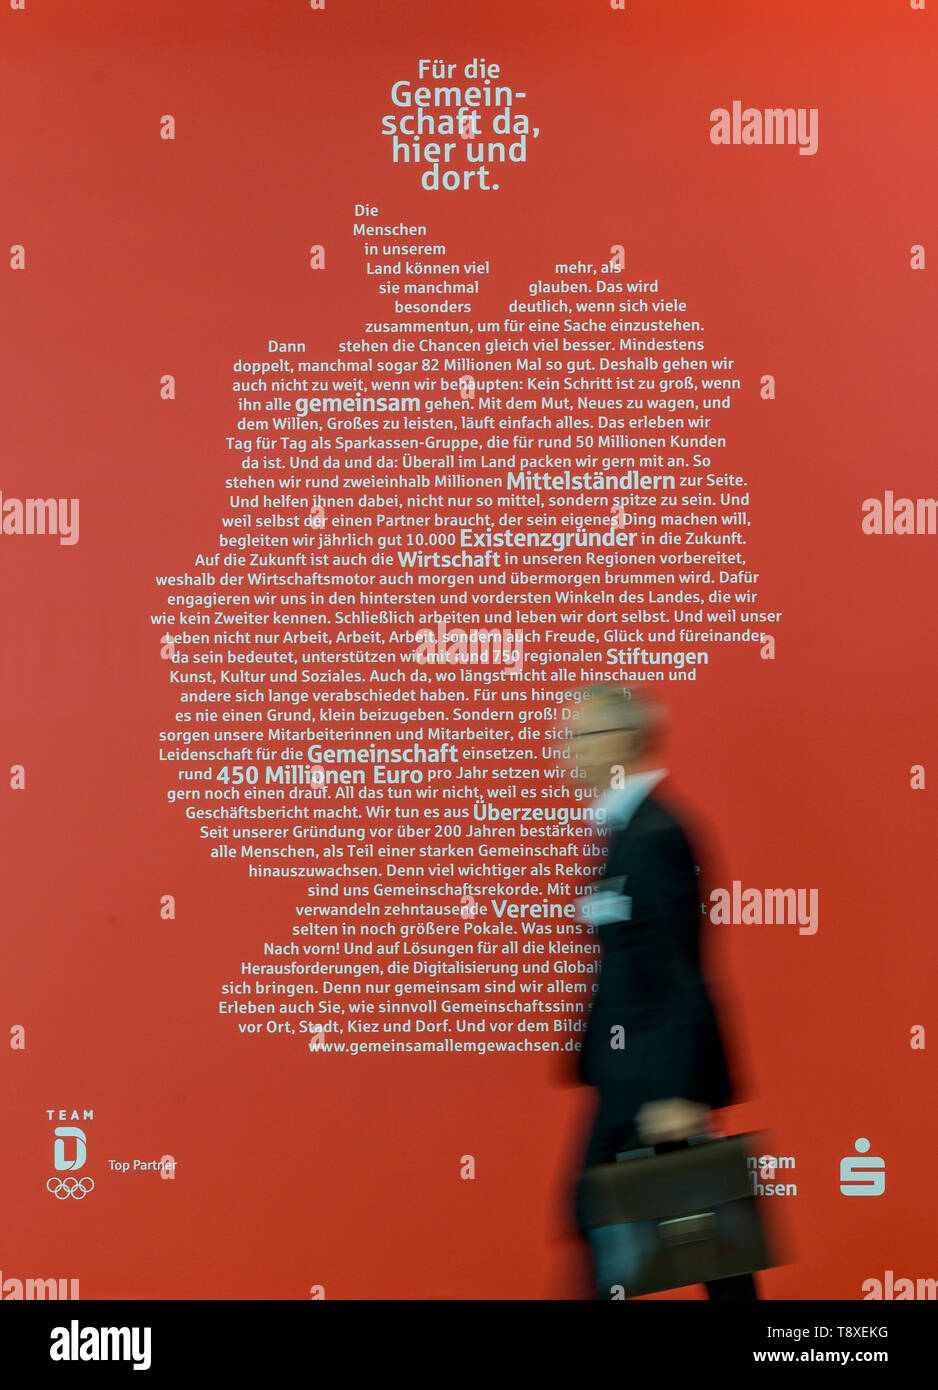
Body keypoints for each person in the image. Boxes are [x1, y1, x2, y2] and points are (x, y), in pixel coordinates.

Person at [562, 682, 758, 1300]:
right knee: (700, 1235)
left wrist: (679, 1090)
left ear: (620, 741)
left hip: (654, 1081)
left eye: (578, 737)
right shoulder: (622, 833)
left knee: (692, 1230)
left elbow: (679, 968)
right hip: (628, 1075)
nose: (566, 752)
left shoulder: (655, 837)